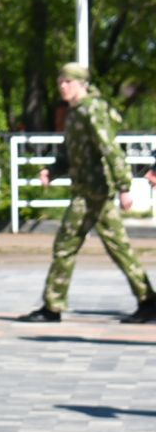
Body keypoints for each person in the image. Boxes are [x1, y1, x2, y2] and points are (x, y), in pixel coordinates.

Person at [20, 62, 156, 324]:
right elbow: (70, 152)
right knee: (108, 247)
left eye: (67, 82)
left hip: (95, 193)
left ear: (81, 84)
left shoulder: (93, 110)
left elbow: (110, 148)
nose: (62, 86)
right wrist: (52, 170)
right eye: (60, 81)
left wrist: (124, 187)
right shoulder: (75, 113)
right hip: (86, 191)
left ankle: (52, 307)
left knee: (74, 245)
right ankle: (147, 300)